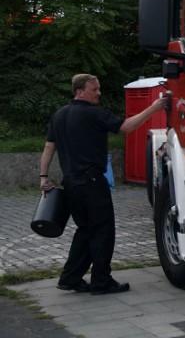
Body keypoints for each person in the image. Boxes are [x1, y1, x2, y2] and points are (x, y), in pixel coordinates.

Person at [39, 74, 168, 295]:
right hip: (92, 183)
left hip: (71, 184)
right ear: (80, 91)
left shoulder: (59, 115)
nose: (99, 92)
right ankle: (101, 281)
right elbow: (126, 127)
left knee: (85, 230)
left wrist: (43, 177)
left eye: (98, 88)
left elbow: (49, 147)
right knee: (102, 232)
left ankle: (70, 278)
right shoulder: (93, 114)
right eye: (94, 89)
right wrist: (154, 108)